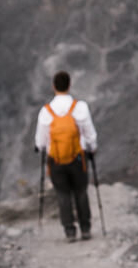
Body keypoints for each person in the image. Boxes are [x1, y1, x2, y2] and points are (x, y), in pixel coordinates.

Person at [36, 70, 97, 242]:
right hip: (78, 157)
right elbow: (90, 134)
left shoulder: (46, 111)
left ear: (54, 86)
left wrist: (41, 147)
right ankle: (85, 228)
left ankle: (70, 231)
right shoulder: (80, 107)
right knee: (81, 192)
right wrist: (92, 148)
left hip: (55, 160)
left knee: (63, 194)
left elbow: (40, 140)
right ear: (69, 85)